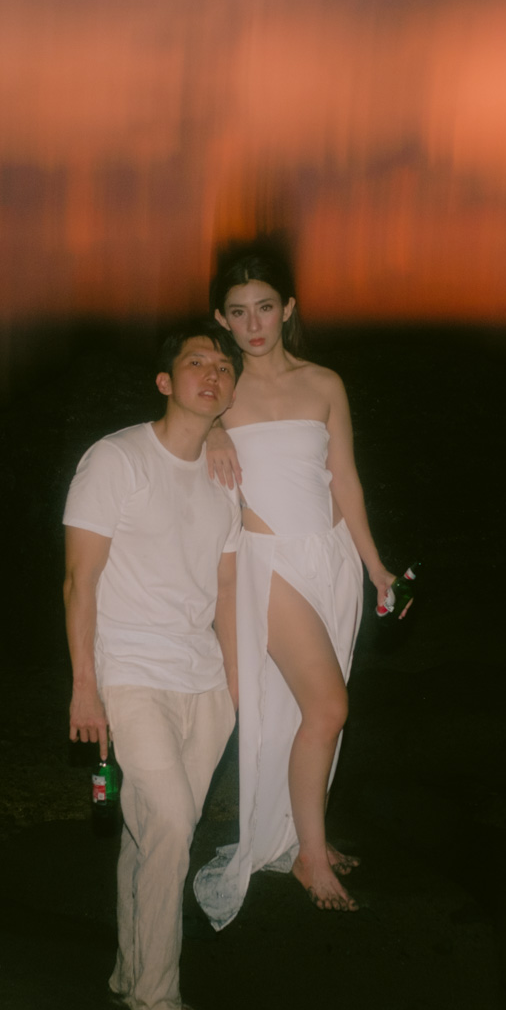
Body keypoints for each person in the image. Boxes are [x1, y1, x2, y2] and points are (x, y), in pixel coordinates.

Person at [191, 250, 397, 926]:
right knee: (329, 707)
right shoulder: (221, 392)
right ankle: (309, 856)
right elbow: (176, 430)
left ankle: (308, 833)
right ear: (221, 319)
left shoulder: (324, 383)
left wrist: (374, 566)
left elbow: (346, 479)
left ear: (288, 309)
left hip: (330, 556)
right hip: (268, 562)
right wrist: (212, 429)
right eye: (238, 313)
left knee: (311, 710)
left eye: (265, 308)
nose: (253, 325)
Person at [62, 320, 243, 1010]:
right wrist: (85, 686)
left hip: (206, 683)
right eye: (197, 362)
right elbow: (79, 580)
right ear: (165, 381)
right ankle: (156, 1002)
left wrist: (237, 692)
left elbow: (227, 590)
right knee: (168, 821)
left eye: (223, 366)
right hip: (132, 673)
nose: (213, 373)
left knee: (155, 834)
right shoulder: (115, 459)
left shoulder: (225, 477)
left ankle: (129, 972)